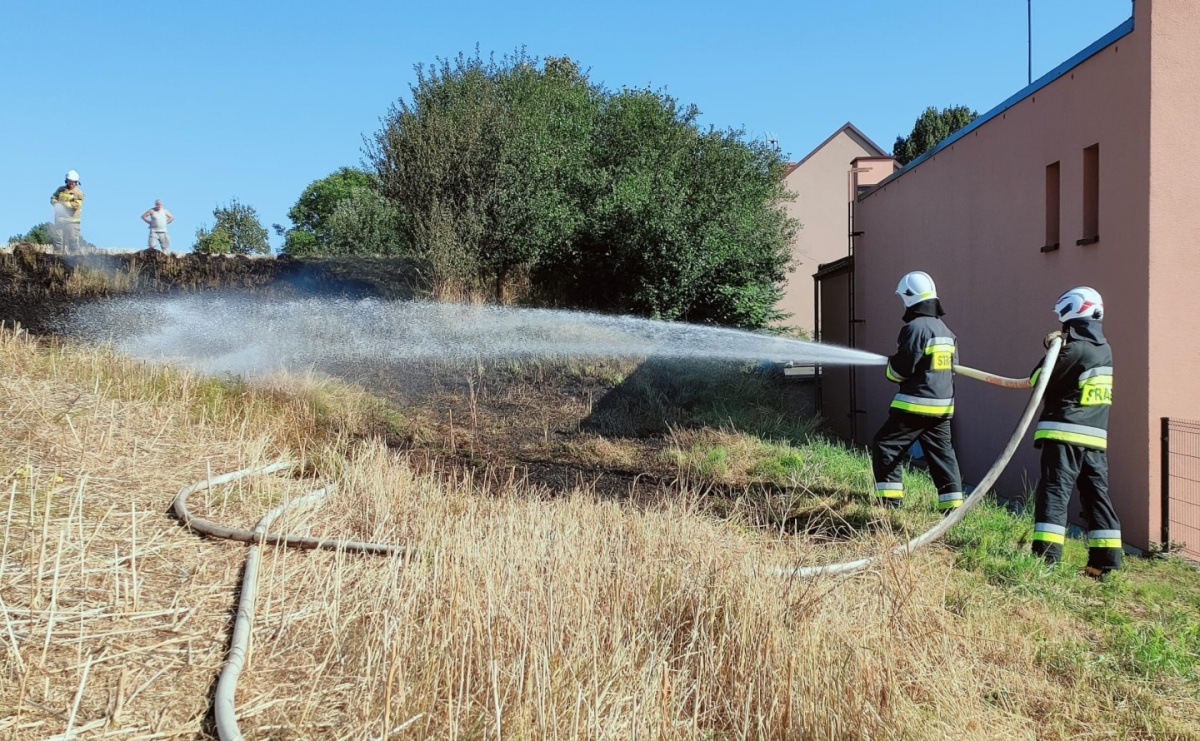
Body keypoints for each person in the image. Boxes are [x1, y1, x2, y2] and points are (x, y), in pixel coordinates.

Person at [1027, 286, 1121, 578]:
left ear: (1073, 311)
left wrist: (1052, 348)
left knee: (1055, 493)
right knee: (1096, 496)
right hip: (1094, 438)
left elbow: (1037, 379)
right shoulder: (1103, 350)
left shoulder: (1074, 348)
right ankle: (1103, 564)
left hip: (1064, 434)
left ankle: (1046, 560)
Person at [871, 271, 964, 513]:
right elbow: (952, 369)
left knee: (886, 444)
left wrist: (890, 368)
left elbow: (901, 370)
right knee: (943, 455)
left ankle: (890, 503)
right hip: (943, 407)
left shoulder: (914, 328)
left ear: (909, 298)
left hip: (915, 404)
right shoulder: (946, 331)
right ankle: (953, 508)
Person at [50, 169, 84, 254]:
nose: (71, 183)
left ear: (76, 182)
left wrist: (63, 205)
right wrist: (56, 204)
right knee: (58, 241)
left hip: (72, 222)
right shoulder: (60, 190)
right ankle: (57, 259)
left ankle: (74, 261)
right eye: (69, 181)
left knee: (72, 243)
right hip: (59, 221)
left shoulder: (78, 193)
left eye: (73, 182)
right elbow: (53, 198)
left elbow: (76, 205)